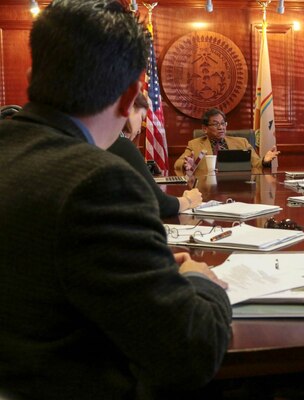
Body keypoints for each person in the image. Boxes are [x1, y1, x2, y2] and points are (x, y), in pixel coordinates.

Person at [0, 2, 231, 399]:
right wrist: (197, 277)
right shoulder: (99, 182)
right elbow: (191, 352)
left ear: (32, 77)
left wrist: (145, 265)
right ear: (129, 100)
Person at [108, 92, 204, 217]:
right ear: (130, 108)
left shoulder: (98, 140)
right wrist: (189, 200)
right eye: (142, 118)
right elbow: (159, 204)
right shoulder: (121, 144)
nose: (139, 129)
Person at [174, 107, 280, 175]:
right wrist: (186, 165)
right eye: (216, 124)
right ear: (205, 129)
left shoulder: (242, 142)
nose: (221, 127)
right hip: (207, 188)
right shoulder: (195, 144)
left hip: (235, 186)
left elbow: (256, 163)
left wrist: (265, 161)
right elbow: (177, 164)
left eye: (223, 123)